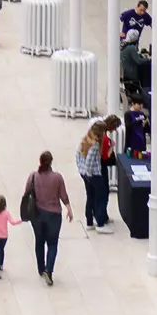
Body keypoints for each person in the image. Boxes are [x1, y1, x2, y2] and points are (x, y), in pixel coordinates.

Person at [23, 149, 74, 284]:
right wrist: (69, 208)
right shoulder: (57, 177)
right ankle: (49, 270)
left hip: (37, 214)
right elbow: (63, 195)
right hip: (53, 215)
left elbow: (26, 192)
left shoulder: (33, 176)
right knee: (52, 243)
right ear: (51, 162)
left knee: (39, 241)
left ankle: (41, 268)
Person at [76, 119, 112, 231]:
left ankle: (89, 222)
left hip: (84, 173)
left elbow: (78, 156)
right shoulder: (95, 145)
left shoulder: (85, 140)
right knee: (101, 196)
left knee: (90, 196)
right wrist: (91, 174)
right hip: (93, 174)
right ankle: (100, 222)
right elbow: (90, 162)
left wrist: (82, 171)